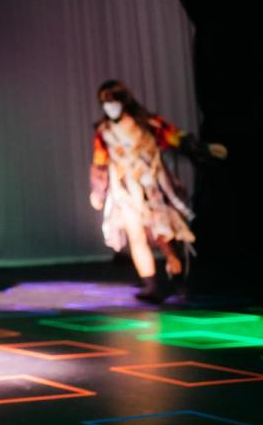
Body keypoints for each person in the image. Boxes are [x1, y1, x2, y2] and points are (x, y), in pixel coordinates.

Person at [88, 79, 226, 302]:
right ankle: (151, 283)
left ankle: (177, 271)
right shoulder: (104, 132)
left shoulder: (147, 124)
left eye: (113, 101)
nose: (109, 107)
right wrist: (98, 190)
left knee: (162, 234)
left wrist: (202, 149)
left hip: (152, 188)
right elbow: (100, 162)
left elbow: (175, 137)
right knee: (136, 235)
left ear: (123, 102)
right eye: (105, 103)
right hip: (125, 191)